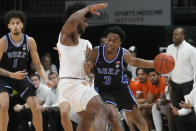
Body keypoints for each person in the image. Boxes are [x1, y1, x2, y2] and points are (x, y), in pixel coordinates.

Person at [84, 26, 154, 131]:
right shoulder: (96, 51)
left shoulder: (124, 53)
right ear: (105, 40)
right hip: (103, 90)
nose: (110, 43)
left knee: (138, 119)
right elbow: (89, 66)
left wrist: (154, 64)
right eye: (109, 40)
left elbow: (135, 62)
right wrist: (89, 67)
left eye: (114, 41)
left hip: (120, 89)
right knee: (113, 116)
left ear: (120, 43)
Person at [56, 2, 108, 131]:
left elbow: (90, 71)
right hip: (71, 84)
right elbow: (72, 20)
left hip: (84, 84)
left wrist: (90, 71)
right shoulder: (66, 37)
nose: (87, 24)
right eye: (84, 20)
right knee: (102, 110)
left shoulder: (87, 44)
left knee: (89, 120)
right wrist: (87, 9)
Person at [0, 10, 53, 131]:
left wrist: (45, 79)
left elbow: (38, 65)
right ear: (8, 26)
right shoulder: (3, 42)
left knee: (35, 105)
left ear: (22, 25)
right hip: (4, 77)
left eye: (17, 23)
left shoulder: (29, 41)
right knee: (3, 105)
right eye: (12, 23)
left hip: (21, 76)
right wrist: (12, 75)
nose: (15, 25)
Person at [166, 27, 196, 131]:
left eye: (176, 34)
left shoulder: (191, 50)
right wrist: (168, 76)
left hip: (188, 84)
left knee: (188, 110)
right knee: (176, 110)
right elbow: (167, 65)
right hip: (174, 84)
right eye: (173, 34)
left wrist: (194, 85)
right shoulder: (169, 48)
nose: (174, 36)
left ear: (183, 36)